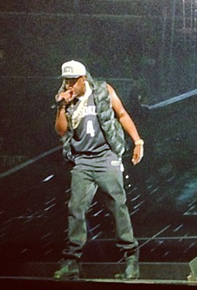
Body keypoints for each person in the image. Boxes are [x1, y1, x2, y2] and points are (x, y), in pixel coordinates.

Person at [53, 60, 144, 281]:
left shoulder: (103, 90)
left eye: (73, 81)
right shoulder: (65, 97)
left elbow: (121, 114)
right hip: (82, 161)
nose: (68, 85)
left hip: (106, 158)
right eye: (66, 81)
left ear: (83, 79)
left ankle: (131, 260)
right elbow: (61, 131)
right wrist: (62, 106)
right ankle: (72, 262)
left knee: (117, 207)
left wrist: (138, 141)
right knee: (76, 209)